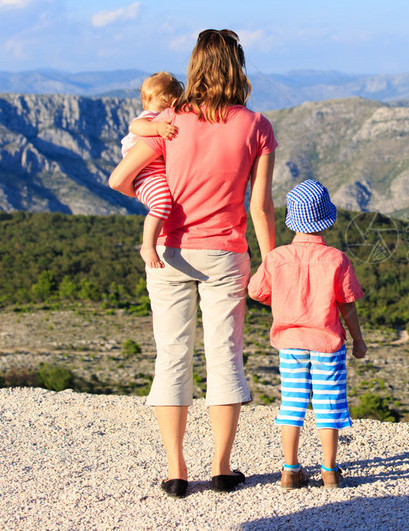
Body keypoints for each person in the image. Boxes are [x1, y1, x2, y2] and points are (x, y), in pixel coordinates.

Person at [108, 29, 277, 498]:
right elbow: (260, 206)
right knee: (225, 357)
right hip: (226, 253)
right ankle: (222, 469)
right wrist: (270, 264)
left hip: (168, 252)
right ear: (237, 66)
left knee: (172, 356)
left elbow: (119, 177)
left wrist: (156, 201)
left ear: (195, 66)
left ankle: (176, 471)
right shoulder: (257, 125)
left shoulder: (170, 120)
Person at [247, 179, 367, 490]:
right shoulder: (337, 259)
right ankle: (329, 470)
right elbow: (348, 307)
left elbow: (256, 291)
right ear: (326, 218)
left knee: (293, 402)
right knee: (329, 404)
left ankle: (290, 470)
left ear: (291, 219)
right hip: (328, 345)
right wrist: (358, 340)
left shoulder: (276, 258)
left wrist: (283, 297)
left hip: (289, 344)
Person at [119, 72, 183, 269]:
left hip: (153, 173)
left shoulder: (157, 118)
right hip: (147, 174)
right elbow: (135, 125)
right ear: (173, 101)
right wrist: (158, 129)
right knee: (162, 204)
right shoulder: (151, 118)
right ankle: (148, 245)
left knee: (168, 202)